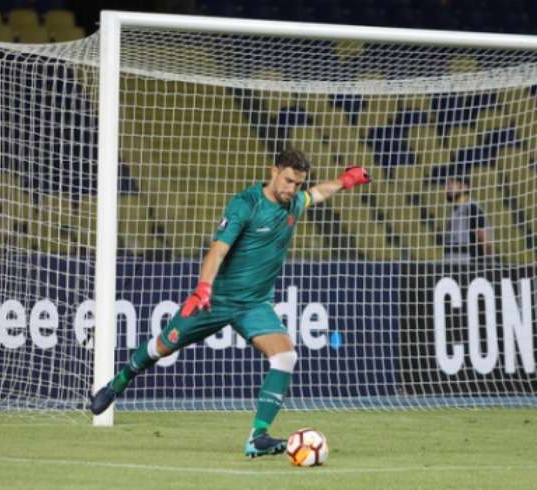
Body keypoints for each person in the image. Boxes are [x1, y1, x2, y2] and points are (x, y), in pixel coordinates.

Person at [90, 149, 371, 458]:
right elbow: (217, 251)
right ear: (274, 170)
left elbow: (318, 193)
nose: (292, 189)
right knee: (161, 347)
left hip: (255, 305)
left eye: (297, 184)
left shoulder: (294, 203)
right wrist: (202, 289)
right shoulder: (245, 204)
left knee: (286, 356)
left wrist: (346, 180)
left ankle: (257, 436)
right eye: (288, 180)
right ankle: (117, 383)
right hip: (216, 300)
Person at [443, 172, 492, 263]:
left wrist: (488, 264)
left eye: (451, 184)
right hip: (452, 264)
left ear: (464, 186)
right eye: (447, 185)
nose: (447, 188)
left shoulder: (472, 208)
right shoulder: (454, 211)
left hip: (468, 265)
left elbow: (484, 238)